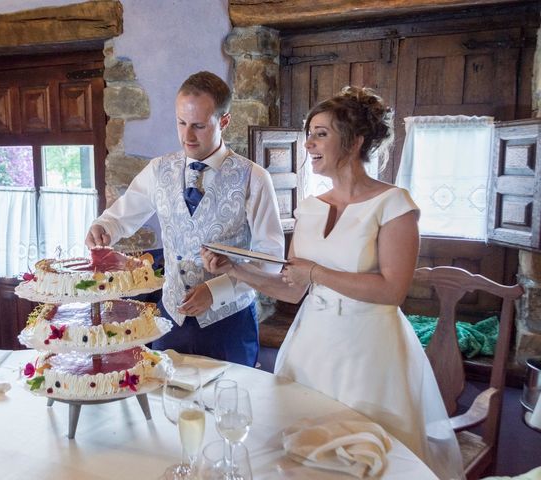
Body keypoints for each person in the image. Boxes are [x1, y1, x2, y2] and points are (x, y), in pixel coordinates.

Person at [202, 86, 465, 479]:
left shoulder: (394, 204)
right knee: (304, 457)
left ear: (356, 141)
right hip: (312, 349)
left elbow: (392, 290)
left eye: (321, 133)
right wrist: (235, 269)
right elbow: (293, 288)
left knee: (371, 461)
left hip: (369, 355)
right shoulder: (309, 208)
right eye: (309, 133)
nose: (308, 143)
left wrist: (317, 274)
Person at [85, 71, 284, 367]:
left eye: (199, 126)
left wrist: (217, 291)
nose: (187, 136)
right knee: (167, 406)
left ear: (224, 121)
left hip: (230, 324)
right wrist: (103, 227)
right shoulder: (158, 170)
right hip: (170, 320)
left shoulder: (254, 178)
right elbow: (119, 217)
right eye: (181, 123)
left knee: (228, 404)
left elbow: (271, 260)